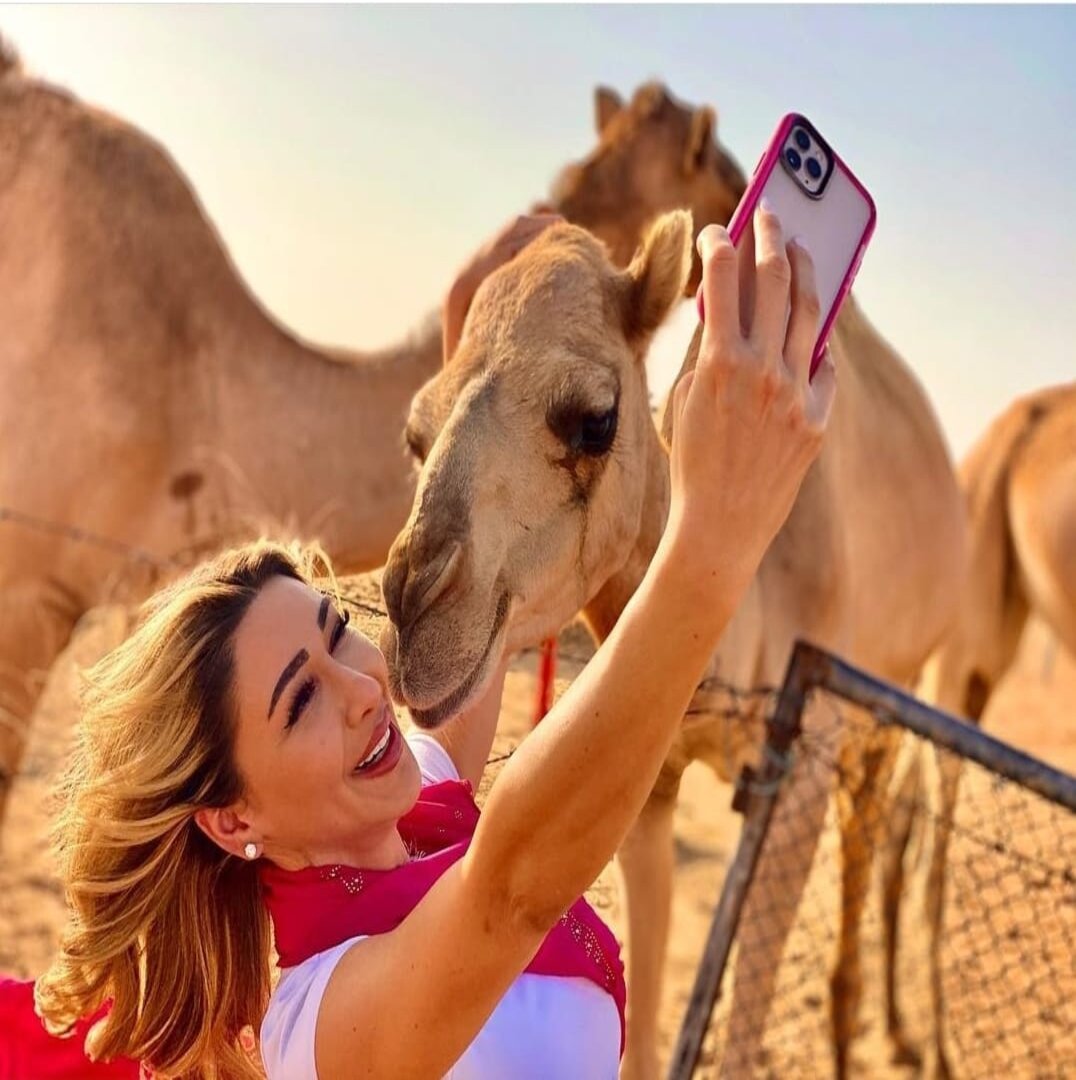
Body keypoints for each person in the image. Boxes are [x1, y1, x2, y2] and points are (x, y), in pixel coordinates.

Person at [20, 201, 834, 1079]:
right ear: (233, 817)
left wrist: (476, 342)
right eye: (301, 702)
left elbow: (473, 626)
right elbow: (510, 890)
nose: (366, 688)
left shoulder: (419, 808)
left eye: (339, 634)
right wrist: (717, 535)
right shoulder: (321, 1021)